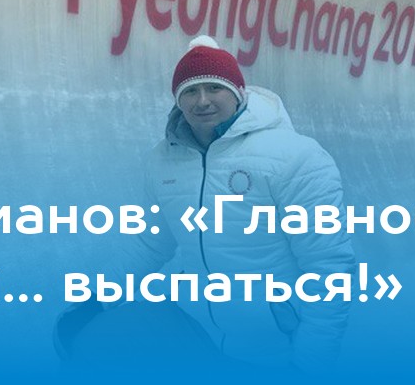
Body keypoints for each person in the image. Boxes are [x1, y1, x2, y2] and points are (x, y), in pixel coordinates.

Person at [82, 35, 357, 371]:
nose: (202, 101)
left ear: (238, 92)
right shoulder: (163, 161)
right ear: (177, 100)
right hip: (197, 334)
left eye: (214, 88)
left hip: (273, 345)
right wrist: (96, 299)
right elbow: (150, 245)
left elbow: (328, 266)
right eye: (190, 91)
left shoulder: (297, 157)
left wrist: (312, 363)